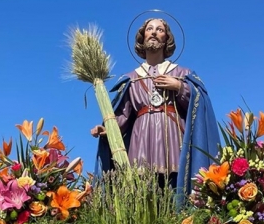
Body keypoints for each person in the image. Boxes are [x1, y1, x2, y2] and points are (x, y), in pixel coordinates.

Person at [91, 16, 219, 194]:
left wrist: (180, 87)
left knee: (174, 188)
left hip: (173, 137)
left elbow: (201, 104)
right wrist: (108, 129)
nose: (154, 33)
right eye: (149, 29)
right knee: (142, 190)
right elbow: (123, 114)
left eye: (160, 30)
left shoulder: (182, 73)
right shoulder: (131, 79)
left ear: (167, 38)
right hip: (141, 140)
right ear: (142, 37)